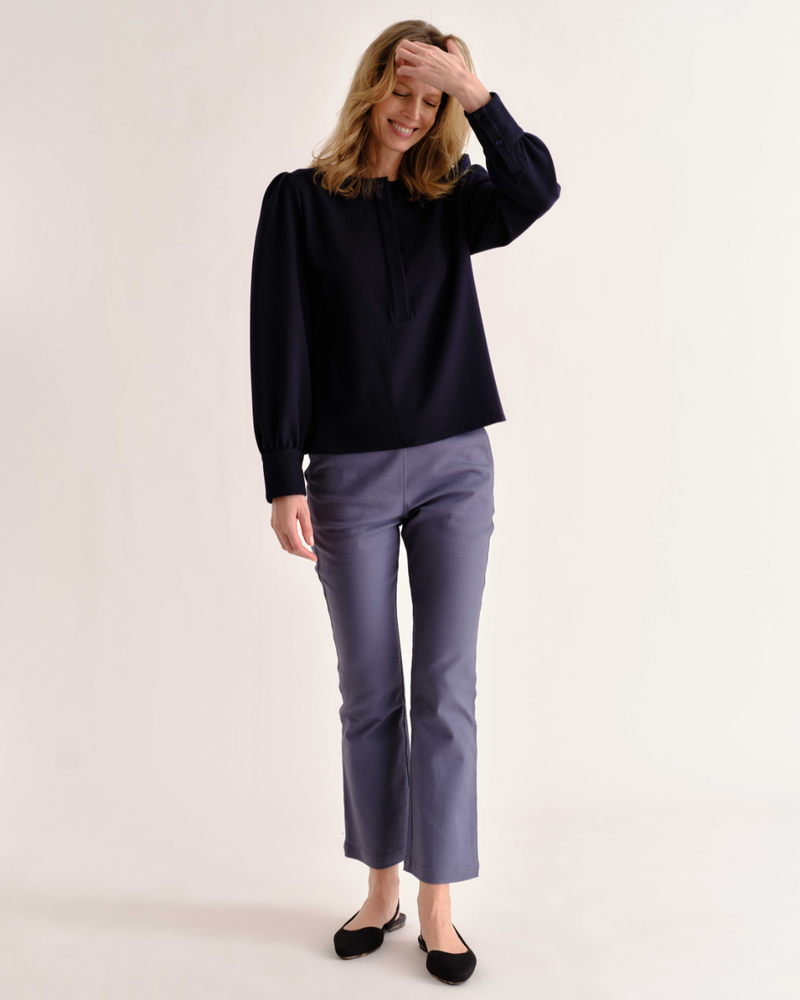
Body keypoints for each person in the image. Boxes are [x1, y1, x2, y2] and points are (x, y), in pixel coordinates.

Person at [249, 19, 561, 985]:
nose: (413, 112)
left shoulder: (454, 198)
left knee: (447, 689)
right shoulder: (299, 201)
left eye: (430, 99)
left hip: (455, 465)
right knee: (371, 691)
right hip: (346, 474)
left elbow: (537, 189)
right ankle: (380, 884)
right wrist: (282, 474)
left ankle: (437, 902)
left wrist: (476, 93)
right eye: (402, 89)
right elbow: (278, 338)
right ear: (369, 87)